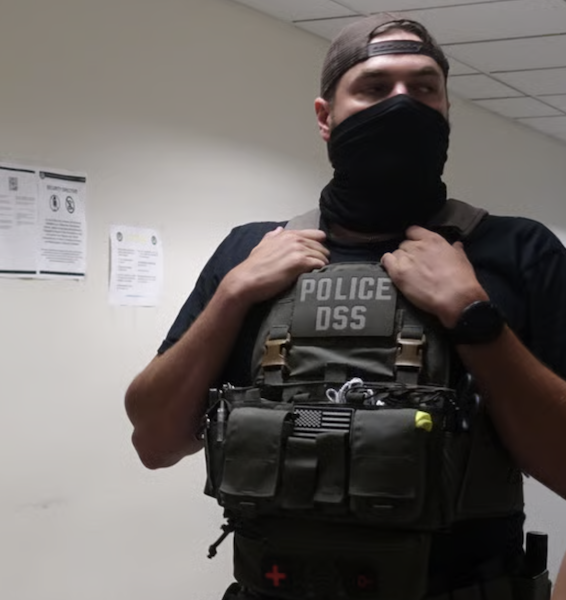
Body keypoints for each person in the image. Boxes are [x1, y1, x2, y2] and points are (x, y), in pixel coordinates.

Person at [124, 13, 565, 600]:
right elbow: (154, 441)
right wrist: (232, 294)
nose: (403, 105)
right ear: (326, 116)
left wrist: (472, 317)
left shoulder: (516, 249)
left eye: (425, 88)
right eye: (375, 88)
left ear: (446, 111)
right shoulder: (250, 250)